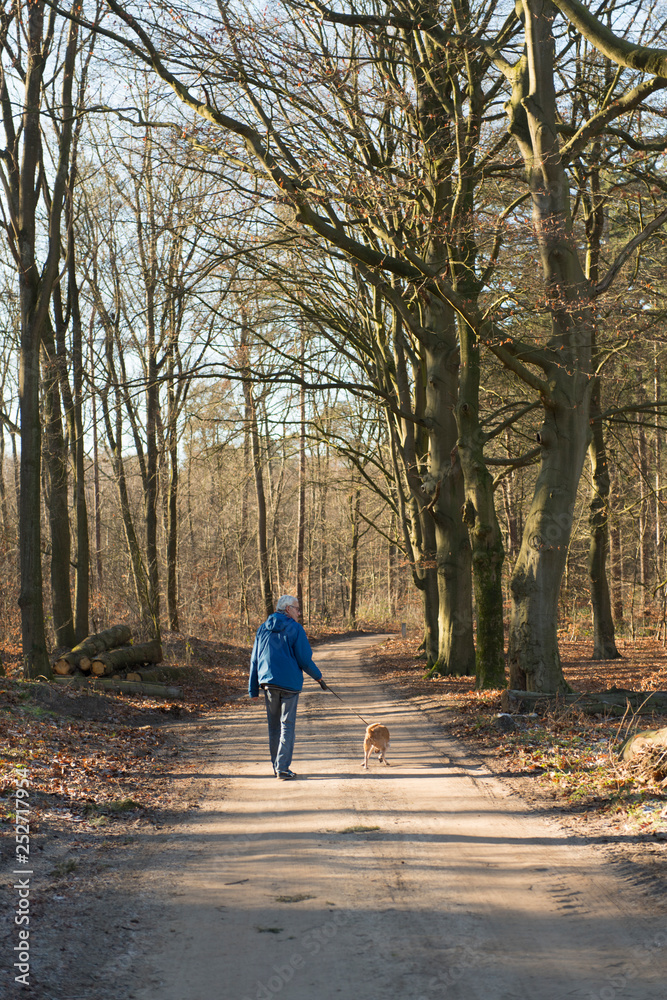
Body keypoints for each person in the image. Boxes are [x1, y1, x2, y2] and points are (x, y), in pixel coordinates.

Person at [248, 595, 327, 780]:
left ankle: (277, 766)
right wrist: (318, 677)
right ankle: (282, 768)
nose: (299, 613)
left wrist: (253, 688)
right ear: (288, 609)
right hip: (289, 684)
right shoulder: (296, 628)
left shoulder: (262, 628)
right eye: (297, 609)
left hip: (269, 683)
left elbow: (255, 660)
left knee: (274, 727)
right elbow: (304, 659)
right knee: (287, 725)